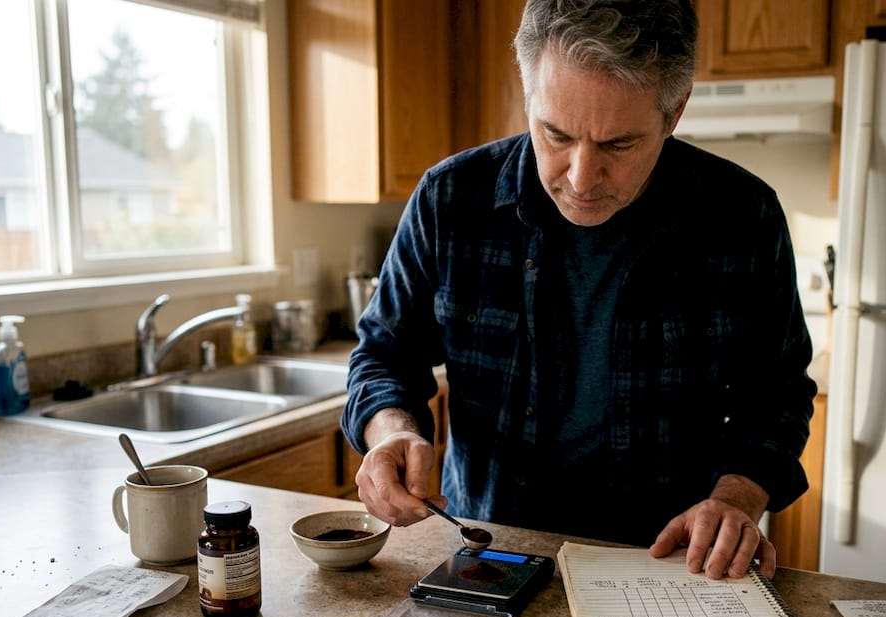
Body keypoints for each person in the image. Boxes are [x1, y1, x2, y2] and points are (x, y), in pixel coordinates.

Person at [341, 0, 817, 581]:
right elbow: (385, 354)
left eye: (619, 145)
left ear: (675, 112)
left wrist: (738, 497)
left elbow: (778, 393)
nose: (581, 177)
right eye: (556, 134)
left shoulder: (741, 216)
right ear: (527, 98)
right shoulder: (451, 201)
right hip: (491, 549)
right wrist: (391, 431)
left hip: (667, 562)